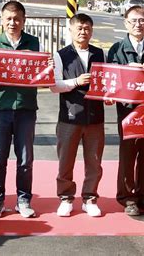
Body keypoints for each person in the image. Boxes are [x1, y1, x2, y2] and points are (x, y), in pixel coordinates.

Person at [0, 1, 45, 218]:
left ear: (24, 20)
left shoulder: (34, 43)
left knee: (25, 159)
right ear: (1, 20)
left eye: (17, 18)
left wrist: (48, 71)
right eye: (8, 18)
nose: (12, 23)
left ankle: (23, 200)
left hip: (26, 108)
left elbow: (42, 74)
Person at [107, 5, 144, 216]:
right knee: (127, 153)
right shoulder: (117, 48)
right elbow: (111, 74)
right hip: (128, 109)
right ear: (126, 22)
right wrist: (130, 68)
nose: (138, 24)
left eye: (142, 20)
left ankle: (143, 195)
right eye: (133, 20)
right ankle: (127, 197)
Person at [50, 13, 105, 217]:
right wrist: (76, 81)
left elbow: (106, 82)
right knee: (66, 160)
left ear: (92, 31)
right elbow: (54, 86)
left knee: (94, 160)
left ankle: (90, 198)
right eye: (79, 28)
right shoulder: (61, 54)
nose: (83, 32)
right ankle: (65, 198)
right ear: (71, 30)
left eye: (87, 28)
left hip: (95, 117)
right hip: (70, 116)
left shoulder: (100, 53)